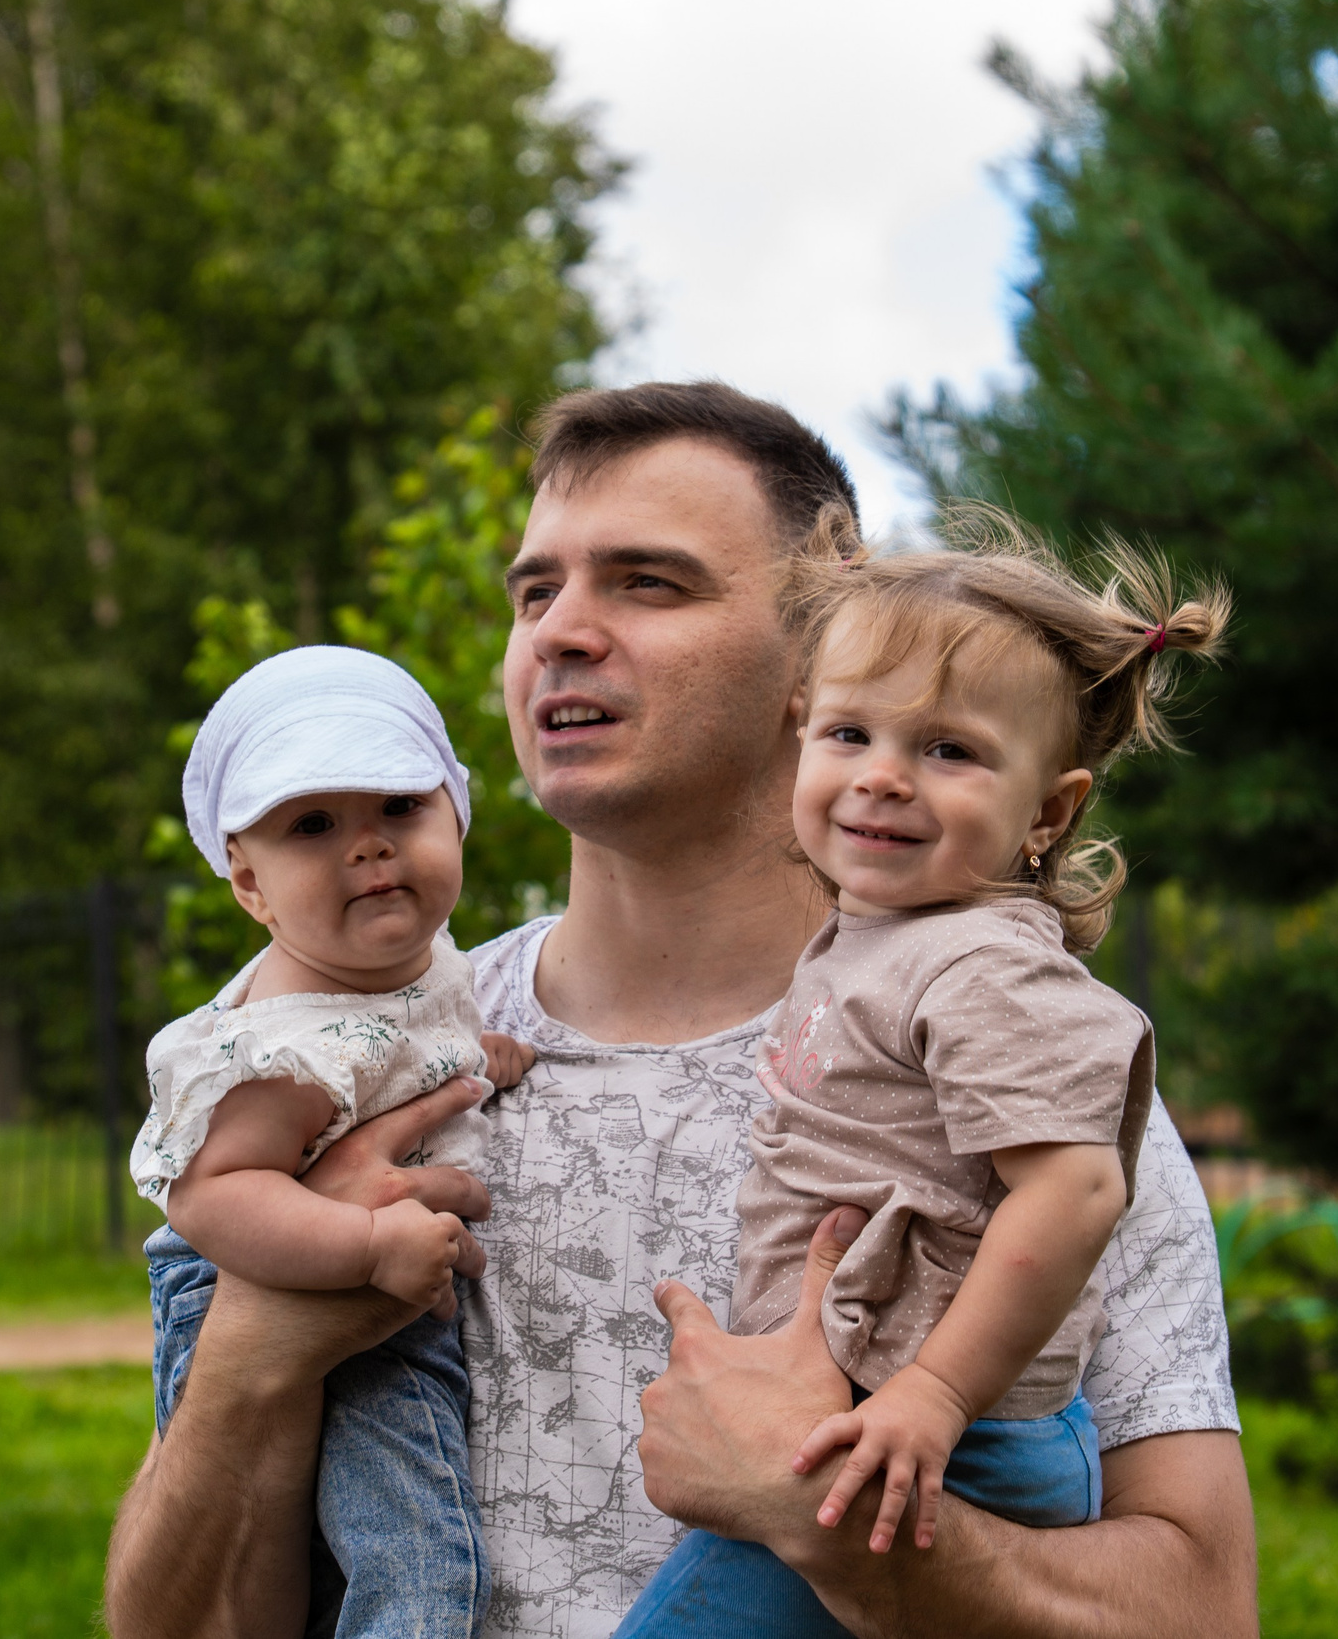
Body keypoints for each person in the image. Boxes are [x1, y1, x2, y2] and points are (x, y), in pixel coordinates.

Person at [106, 382, 1257, 1639]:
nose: (561, 633)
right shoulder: (373, 1064)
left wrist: (826, 1521)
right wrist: (245, 1364)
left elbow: (1200, 1609)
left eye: (648, 583)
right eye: (535, 592)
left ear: (821, 652)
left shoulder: (1005, 1068)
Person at [614, 518, 1229, 1635]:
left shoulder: (984, 964)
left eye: (949, 751)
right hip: (879, 1415)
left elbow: (1076, 1190)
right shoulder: (884, 938)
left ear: (1048, 811)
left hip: (941, 1440)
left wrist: (934, 1397)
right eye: (849, 732)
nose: (884, 778)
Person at [129, 645, 536, 1639]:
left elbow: (393, 1048)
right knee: (414, 1553)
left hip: (373, 1269)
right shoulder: (282, 1045)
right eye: (313, 826)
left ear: (456, 814)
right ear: (251, 887)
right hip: (280, 1269)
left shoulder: (407, 967)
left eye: (400, 808)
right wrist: (366, 1251)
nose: (369, 847)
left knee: (377, 1541)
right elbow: (211, 1196)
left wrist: (467, 1063)